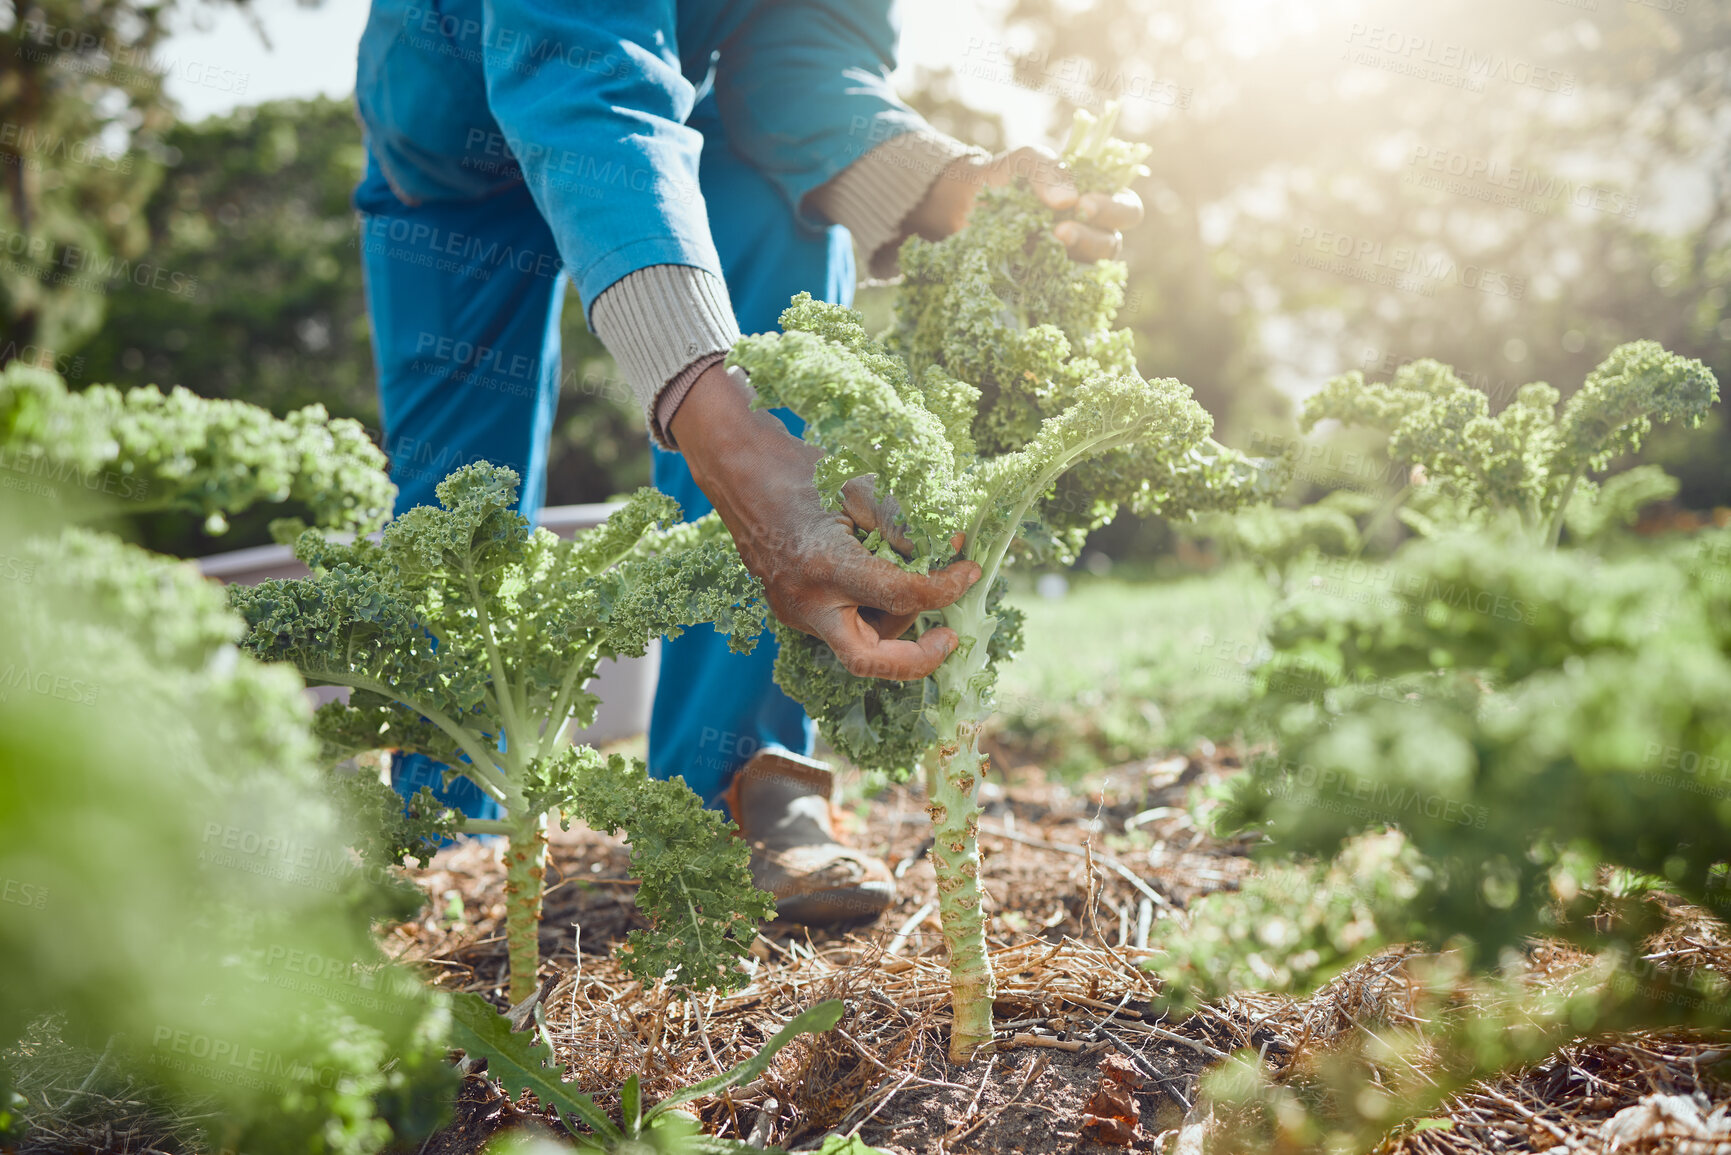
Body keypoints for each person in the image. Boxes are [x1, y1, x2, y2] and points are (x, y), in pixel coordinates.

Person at [352, 0, 1140, 927]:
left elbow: (809, 46)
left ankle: (739, 785)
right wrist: (713, 413)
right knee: (459, 489)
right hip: (456, 135)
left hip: (686, 94)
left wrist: (949, 187)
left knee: (778, 229)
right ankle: (445, 817)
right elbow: (576, 66)